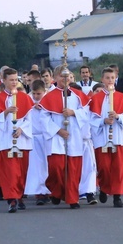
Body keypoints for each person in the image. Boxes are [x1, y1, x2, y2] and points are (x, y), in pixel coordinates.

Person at [40, 65, 91, 209]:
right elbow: (43, 118)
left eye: (67, 76)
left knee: (73, 169)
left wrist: (73, 112)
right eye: (62, 76)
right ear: (55, 78)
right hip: (56, 136)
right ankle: (56, 191)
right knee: (56, 167)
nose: (65, 79)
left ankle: (72, 198)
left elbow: (87, 113)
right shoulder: (49, 96)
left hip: (74, 136)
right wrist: (58, 130)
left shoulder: (78, 95)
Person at [0, 68, 34, 213]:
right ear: (4, 80)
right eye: (11, 80)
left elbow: (29, 119)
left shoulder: (25, 98)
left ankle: (19, 196)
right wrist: (6, 111)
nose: (14, 82)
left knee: (21, 172)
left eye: (16, 80)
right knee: (10, 172)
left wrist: (21, 129)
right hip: (6, 142)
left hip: (22, 141)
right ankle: (12, 199)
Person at [89, 67, 123, 208]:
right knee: (104, 168)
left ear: (115, 79)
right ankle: (104, 187)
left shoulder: (121, 97)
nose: (109, 80)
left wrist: (118, 116)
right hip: (102, 139)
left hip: (118, 138)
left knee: (118, 168)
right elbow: (91, 118)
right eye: (107, 78)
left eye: (112, 78)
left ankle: (117, 196)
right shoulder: (96, 98)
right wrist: (103, 121)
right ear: (102, 80)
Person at [24, 79, 51, 205]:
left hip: (48, 137)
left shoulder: (49, 100)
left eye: (38, 94)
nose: (35, 97)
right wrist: (30, 107)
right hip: (34, 137)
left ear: (44, 92)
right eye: (33, 94)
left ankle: (50, 190)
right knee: (37, 167)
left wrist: (44, 108)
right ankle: (39, 193)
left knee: (48, 165)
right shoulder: (27, 100)